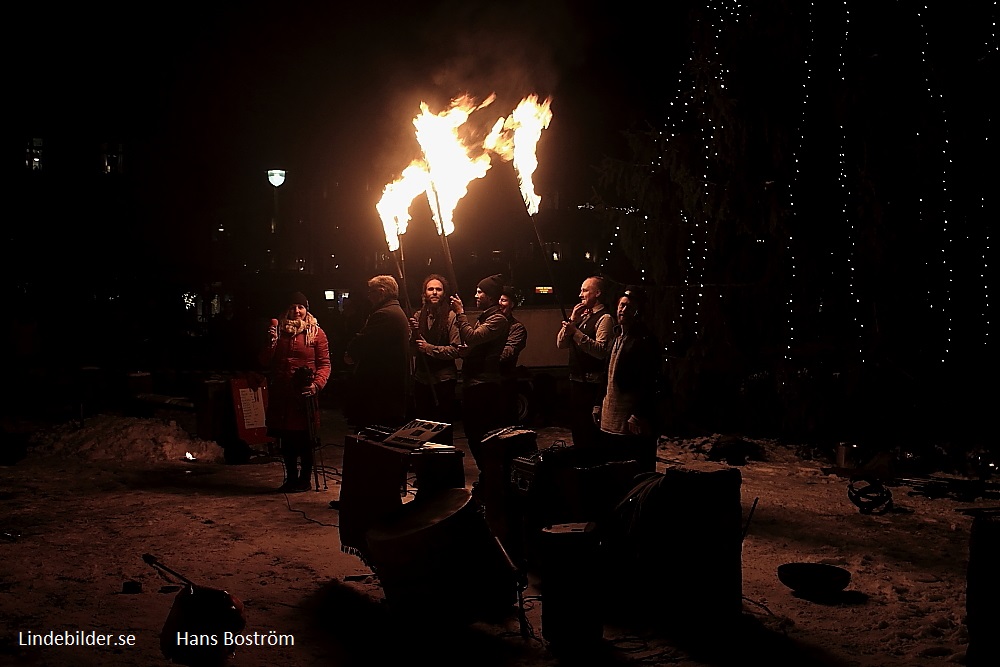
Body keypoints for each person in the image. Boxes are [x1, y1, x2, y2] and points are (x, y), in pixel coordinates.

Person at [260, 291, 332, 492]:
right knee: (286, 438)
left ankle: (304, 479)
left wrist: (316, 384)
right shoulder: (279, 332)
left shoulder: (316, 333)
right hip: (282, 394)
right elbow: (264, 361)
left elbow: (325, 364)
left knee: (305, 439)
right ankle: (291, 478)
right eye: (293, 307)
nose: (297, 311)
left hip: (303, 394)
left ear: (306, 309)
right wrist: (270, 343)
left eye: (300, 307)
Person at [594, 286, 661, 472]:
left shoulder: (644, 341)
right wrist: (598, 403)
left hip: (629, 419)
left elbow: (649, 380)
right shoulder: (616, 337)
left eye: (629, 307)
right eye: (622, 305)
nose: (623, 310)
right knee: (612, 467)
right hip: (610, 416)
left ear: (637, 312)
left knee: (632, 468)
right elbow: (606, 374)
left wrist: (638, 413)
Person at [450, 274, 510, 473]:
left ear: (491, 297)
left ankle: (491, 478)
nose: (476, 295)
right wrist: (468, 352)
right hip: (473, 383)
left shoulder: (498, 319)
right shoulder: (486, 317)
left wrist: (460, 313)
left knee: (481, 435)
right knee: (473, 435)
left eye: (480, 291)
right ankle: (487, 478)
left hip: (484, 386)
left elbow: (472, 337)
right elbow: (477, 344)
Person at [556, 275, 614, 455]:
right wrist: (572, 321)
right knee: (578, 431)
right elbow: (560, 344)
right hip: (576, 381)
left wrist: (577, 333)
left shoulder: (604, 318)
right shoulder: (580, 317)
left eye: (585, 290)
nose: (580, 294)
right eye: (581, 290)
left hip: (591, 384)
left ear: (597, 293)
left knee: (589, 433)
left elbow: (600, 350)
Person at [344, 275, 410, 429]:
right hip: (387, 391)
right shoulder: (394, 311)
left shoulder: (384, 315)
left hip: (380, 393)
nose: (368, 296)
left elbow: (362, 342)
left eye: (371, 292)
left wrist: (350, 353)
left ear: (381, 292)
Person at [410, 273, 461, 425]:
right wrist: (413, 334)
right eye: (430, 289)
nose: (434, 292)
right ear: (424, 293)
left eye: (438, 289)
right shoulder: (418, 316)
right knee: (423, 427)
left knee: (442, 426)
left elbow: (455, 350)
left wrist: (429, 348)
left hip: (443, 381)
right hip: (422, 380)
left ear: (444, 293)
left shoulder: (451, 317)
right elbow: (412, 351)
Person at [499, 284, 528, 424]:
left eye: (504, 300)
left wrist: (483, 354)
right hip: (487, 384)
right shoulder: (485, 324)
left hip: (505, 382)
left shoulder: (516, 328)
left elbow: (507, 353)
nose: (499, 303)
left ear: (512, 304)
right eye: (497, 299)